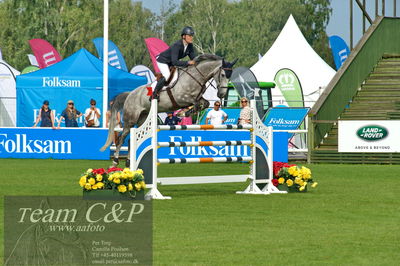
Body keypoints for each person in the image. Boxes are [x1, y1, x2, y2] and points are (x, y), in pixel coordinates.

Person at [152, 26, 197, 99]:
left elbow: (194, 59)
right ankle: (154, 94)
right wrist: (188, 63)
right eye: (189, 36)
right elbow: (175, 62)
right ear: (184, 36)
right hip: (163, 61)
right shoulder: (177, 45)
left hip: (171, 63)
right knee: (167, 75)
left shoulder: (190, 46)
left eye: (192, 36)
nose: (191, 37)